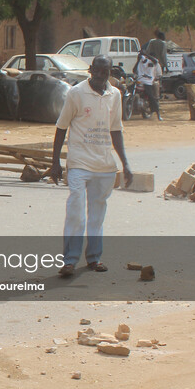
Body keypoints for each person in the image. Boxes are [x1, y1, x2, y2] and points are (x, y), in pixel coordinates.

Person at [49, 56, 132, 277]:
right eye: (96, 71)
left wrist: (125, 163)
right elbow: (61, 127)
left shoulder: (115, 95)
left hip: (104, 165)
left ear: (109, 72)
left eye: (104, 72)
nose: (99, 76)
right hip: (79, 162)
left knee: (97, 214)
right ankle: (70, 260)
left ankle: (94, 258)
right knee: (76, 211)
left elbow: (116, 130)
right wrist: (55, 162)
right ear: (90, 70)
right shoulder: (76, 93)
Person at [132, 49, 162, 120]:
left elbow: (155, 61)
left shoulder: (152, 61)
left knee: (150, 96)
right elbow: (134, 70)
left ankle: (158, 113)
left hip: (148, 82)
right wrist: (138, 60)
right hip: (140, 81)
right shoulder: (140, 62)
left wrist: (146, 55)